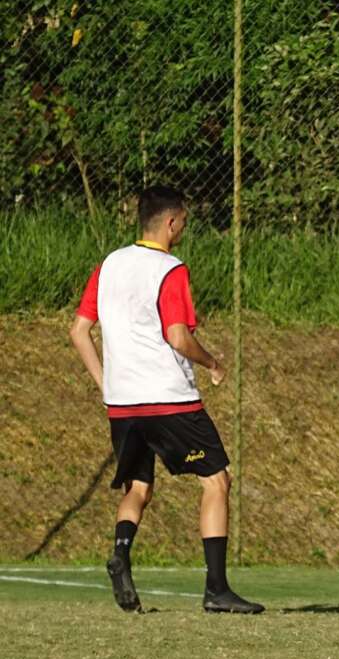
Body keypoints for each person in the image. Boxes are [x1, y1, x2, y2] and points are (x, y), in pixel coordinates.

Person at [69, 185, 263, 614]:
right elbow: (178, 337)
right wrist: (211, 362)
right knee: (217, 479)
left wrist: (106, 382)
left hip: (122, 403)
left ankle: (121, 551)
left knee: (139, 485)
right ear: (172, 222)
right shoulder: (170, 269)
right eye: (184, 222)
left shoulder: (108, 266)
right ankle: (216, 589)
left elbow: (78, 330)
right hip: (168, 399)